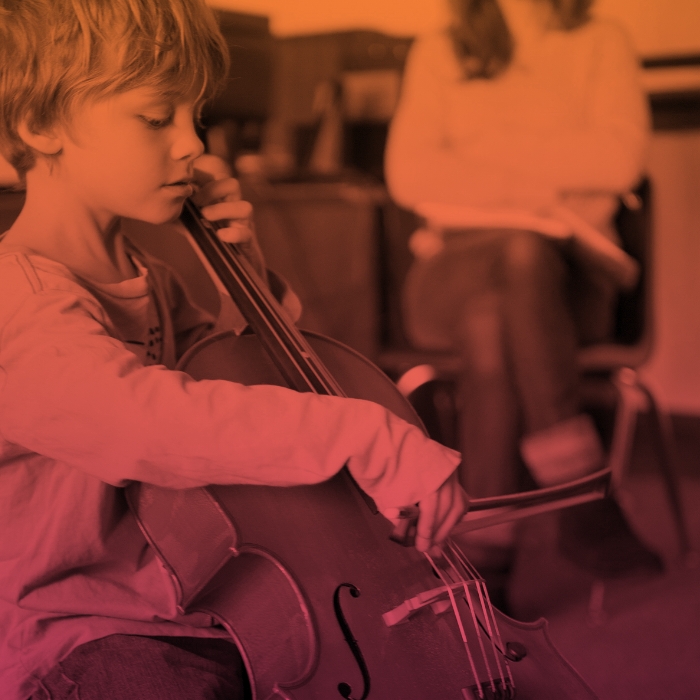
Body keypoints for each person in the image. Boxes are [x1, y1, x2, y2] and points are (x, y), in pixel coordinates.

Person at [0, 1, 469, 698]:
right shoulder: (18, 300)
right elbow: (157, 422)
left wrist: (243, 274)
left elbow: (234, 384)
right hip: (72, 637)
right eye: (156, 117)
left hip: (198, 605)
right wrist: (372, 437)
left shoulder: (147, 278)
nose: (192, 144)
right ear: (41, 125)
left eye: (196, 118)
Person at [384, 0, 652, 566]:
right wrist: (547, 185)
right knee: (514, 257)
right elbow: (408, 173)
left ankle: (484, 553)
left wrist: (473, 162)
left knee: (500, 302)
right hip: (449, 275)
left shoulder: (603, 41)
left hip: (568, 288)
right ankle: (579, 483)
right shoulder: (441, 48)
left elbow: (620, 160)